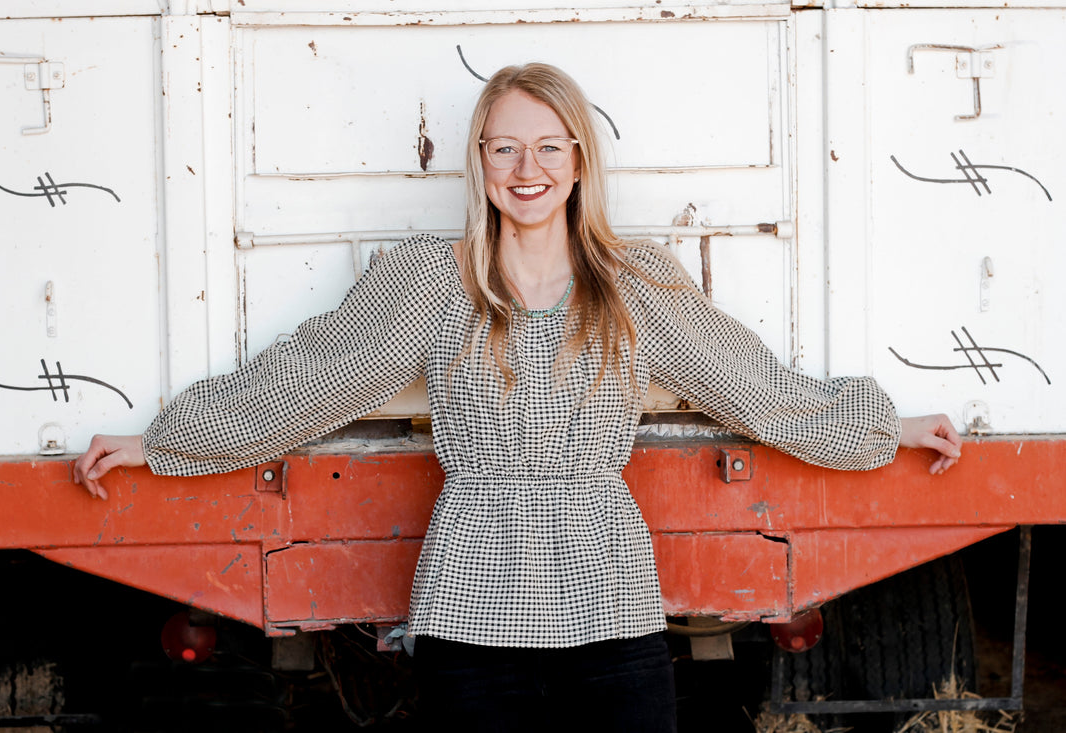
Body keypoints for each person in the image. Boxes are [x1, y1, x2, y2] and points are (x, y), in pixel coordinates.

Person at [74, 63, 961, 732]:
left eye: (546, 145)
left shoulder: (631, 281)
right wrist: (169, 442)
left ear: (578, 160)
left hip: (608, 602)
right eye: (504, 146)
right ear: (481, 163)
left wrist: (889, 427)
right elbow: (308, 381)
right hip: (473, 608)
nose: (525, 167)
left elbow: (758, 389)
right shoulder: (432, 281)